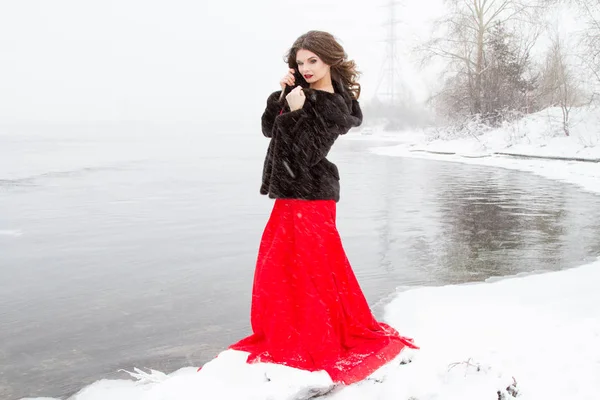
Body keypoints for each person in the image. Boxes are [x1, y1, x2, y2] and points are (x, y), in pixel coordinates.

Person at [229, 30, 417, 385]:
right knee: (288, 268)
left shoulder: (330, 103)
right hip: (296, 196)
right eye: (300, 63)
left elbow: (302, 156)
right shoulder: (306, 94)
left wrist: (298, 112)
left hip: (310, 198)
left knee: (307, 271)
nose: (306, 68)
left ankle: (315, 337)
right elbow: (270, 129)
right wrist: (282, 96)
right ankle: (299, 331)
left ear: (329, 59)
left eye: (312, 60)